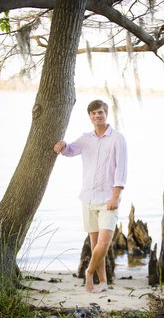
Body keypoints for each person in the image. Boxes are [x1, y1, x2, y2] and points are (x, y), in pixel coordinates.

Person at [54, 99, 127, 293]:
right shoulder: (86, 138)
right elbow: (71, 150)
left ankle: (89, 272)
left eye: (100, 112)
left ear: (106, 113)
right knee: (95, 245)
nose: (97, 116)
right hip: (87, 198)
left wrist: (116, 195)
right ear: (90, 116)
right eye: (93, 113)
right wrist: (62, 145)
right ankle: (102, 282)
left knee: (104, 243)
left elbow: (122, 168)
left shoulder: (117, 138)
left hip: (108, 200)